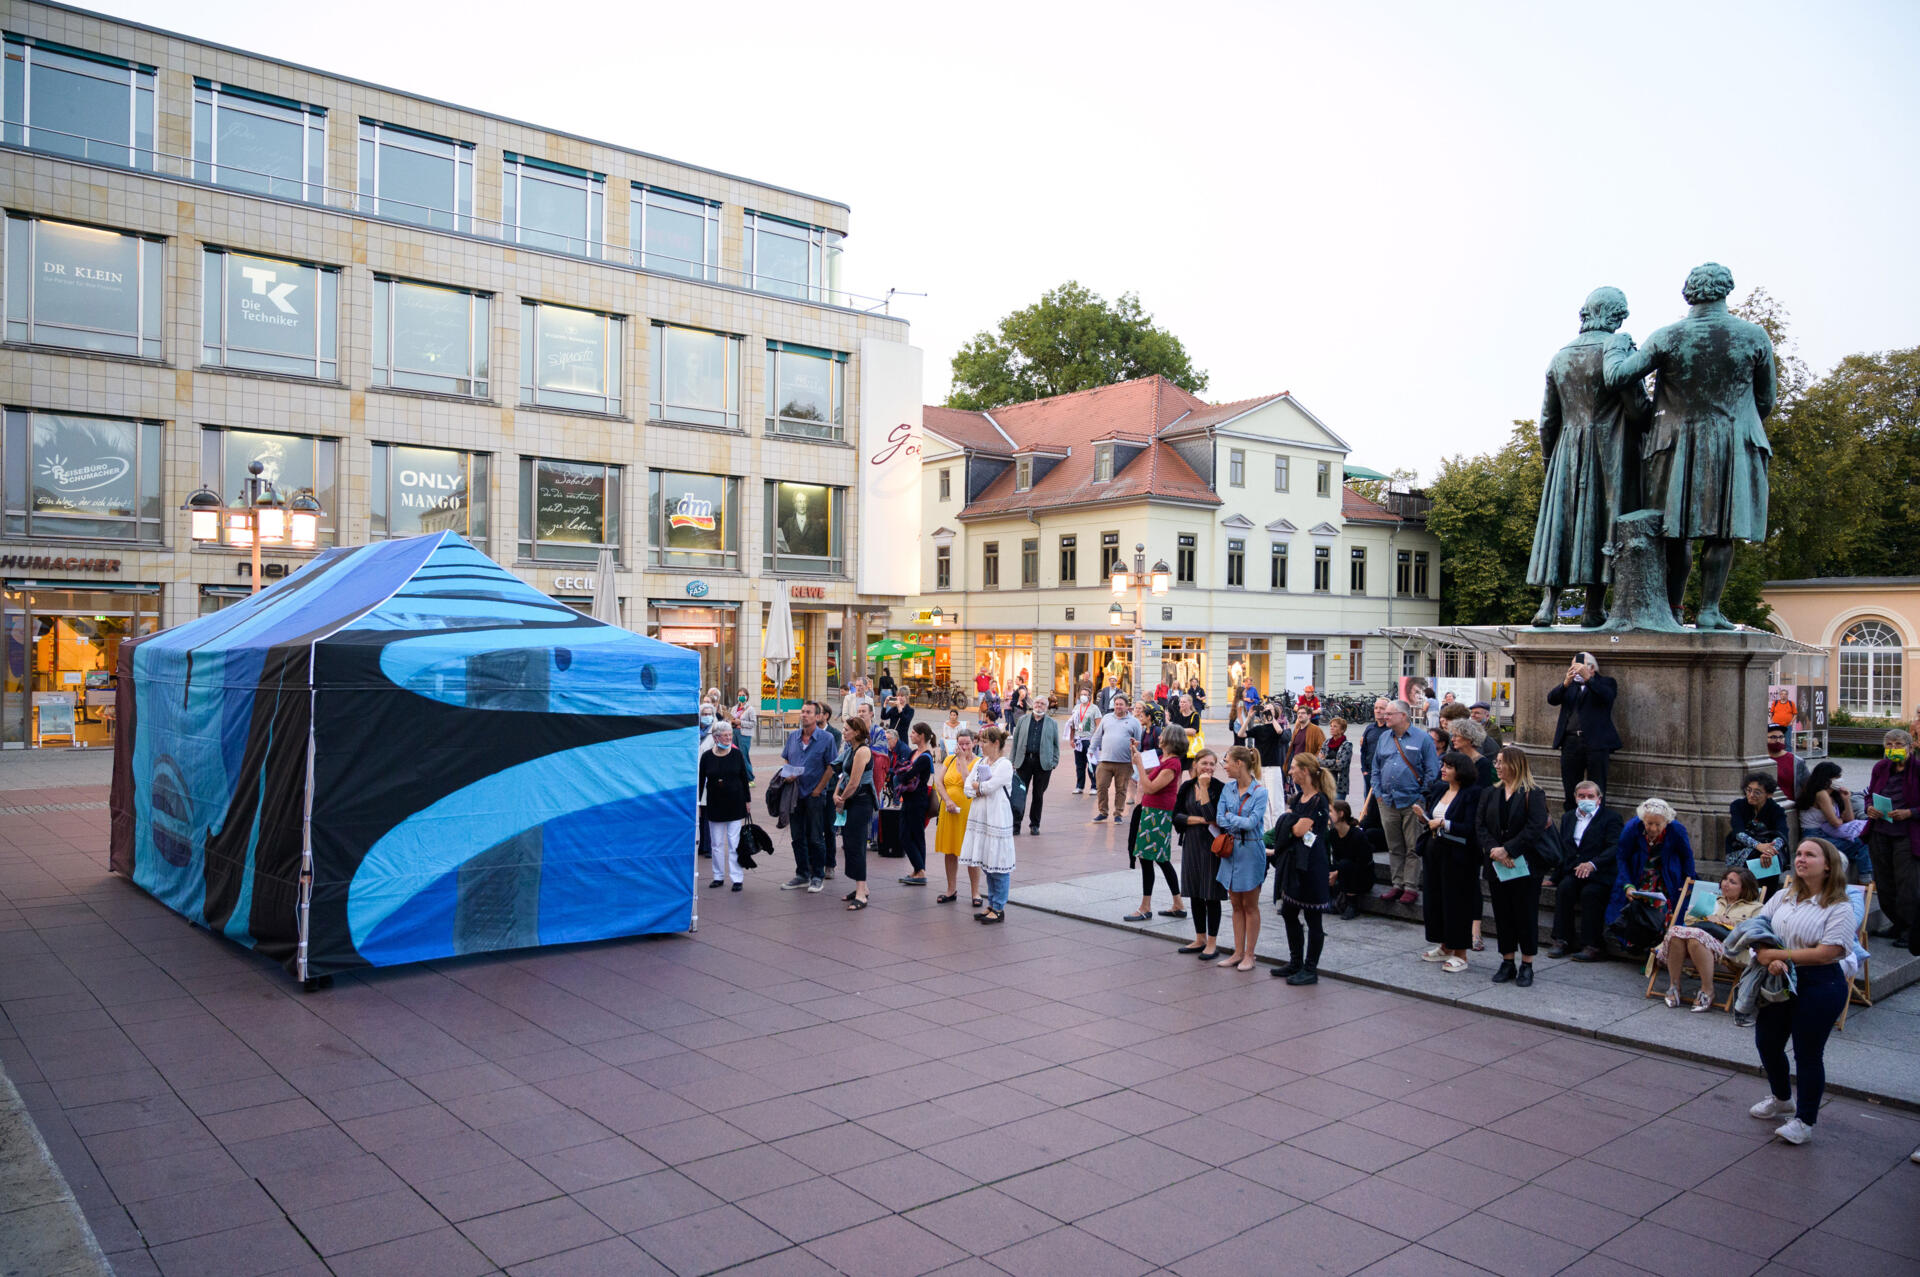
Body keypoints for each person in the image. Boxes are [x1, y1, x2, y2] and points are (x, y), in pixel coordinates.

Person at [1602, 262, 1777, 630]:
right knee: (1721, 531)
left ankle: (1672, 610)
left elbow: (1618, 376)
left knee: (1673, 531)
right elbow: (1766, 400)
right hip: (1731, 443)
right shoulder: (1753, 336)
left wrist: (1616, 346)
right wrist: (1734, 419)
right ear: (1726, 291)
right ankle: (1710, 610)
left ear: (1689, 293)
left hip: (1675, 445)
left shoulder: (1667, 336)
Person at [1746, 839, 1859, 1145]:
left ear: (1827, 866)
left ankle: (1805, 1121)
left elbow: (1828, 952)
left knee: (1808, 1053)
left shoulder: (1839, 906)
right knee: (1767, 1042)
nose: (1801, 858)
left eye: (1810, 854)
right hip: (1779, 980)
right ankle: (1782, 1098)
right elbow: (1759, 928)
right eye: (1798, 853)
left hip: (1820, 984)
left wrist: (1781, 957)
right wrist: (1765, 953)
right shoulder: (1783, 896)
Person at [1476, 746, 1551, 987]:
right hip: (1497, 865)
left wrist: (1509, 849)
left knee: (1526, 914)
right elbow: (1481, 826)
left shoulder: (1533, 793)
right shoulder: (1489, 793)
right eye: (1496, 762)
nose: (1497, 766)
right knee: (1502, 913)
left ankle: (1527, 964)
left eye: (1501, 762)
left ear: (1515, 765)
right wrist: (1495, 851)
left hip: (1526, 866)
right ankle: (1507, 960)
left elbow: (1535, 827)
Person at [1365, 699, 1441, 907]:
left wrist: (1421, 797)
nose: (1384, 717)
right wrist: (1379, 793)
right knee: (1394, 845)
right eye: (1384, 714)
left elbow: (1432, 770)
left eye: (1389, 714)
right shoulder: (1384, 738)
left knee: (1412, 847)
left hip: (1412, 802)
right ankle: (1396, 884)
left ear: (1403, 716)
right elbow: (1376, 768)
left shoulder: (1423, 739)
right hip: (1387, 801)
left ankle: (1410, 887)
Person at [1656, 865, 1763, 1011]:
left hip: (1731, 949)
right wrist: (1708, 917)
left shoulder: (1755, 907)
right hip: (1697, 943)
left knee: (1695, 937)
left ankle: (1708, 990)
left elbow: (1755, 933)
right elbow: (1688, 920)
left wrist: (1733, 924)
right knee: (1677, 933)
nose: (1725, 883)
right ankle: (1674, 986)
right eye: (1725, 879)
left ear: (1744, 888)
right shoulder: (1712, 900)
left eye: (1732, 882)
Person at [1416, 751, 1484, 974]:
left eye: (1449, 767)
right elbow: (1433, 817)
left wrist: (1445, 823)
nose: (1443, 769)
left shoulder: (1472, 794)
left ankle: (1461, 953)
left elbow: (1473, 828)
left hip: (1459, 857)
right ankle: (1444, 945)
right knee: (1436, 900)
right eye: (1443, 765)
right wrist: (1425, 818)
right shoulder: (1440, 789)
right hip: (1435, 852)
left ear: (1460, 770)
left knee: (1457, 904)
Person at [1274, 752, 1336, 984]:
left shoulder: (1318, 800)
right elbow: (1293, 827)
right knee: (1289, 911)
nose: (1290, 772)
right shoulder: (1299, 797)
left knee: (1313, 917)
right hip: (1295, 862)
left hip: (1312, 864)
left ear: (1305, 771)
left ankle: (1310, 969)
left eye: (1294, 768)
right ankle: (1295, 962)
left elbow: (1299, 830)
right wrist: (1289, 824)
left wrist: (1286, 823)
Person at [1546, 780, 1625, 961]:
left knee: (1591, 893)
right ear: (1575, 798)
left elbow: (1614, 847)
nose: (1586, 799)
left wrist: (1593, 864)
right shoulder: (1568, 818)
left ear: (1598, 799)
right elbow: (1563, 849)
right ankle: (1562, 939)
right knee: (1565, 889)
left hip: (1599, 872)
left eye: (1590, 796)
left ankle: (1592, 944)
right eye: (1582, 796)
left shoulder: (1611, 818)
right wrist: (1555, 876)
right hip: (1574, 870)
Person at [1607, 798, 1697, 949]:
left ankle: (1658, 948)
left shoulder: (1676, 829)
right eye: (1649, 823)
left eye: (1658, 824)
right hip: (1640, 872)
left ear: (1666, 822)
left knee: (1665, 907)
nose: (1653, 828)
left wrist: (1688, 881)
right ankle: (1640, 945)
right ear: (1643, 820)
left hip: (1667, 873)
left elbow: (1687, 856)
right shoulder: (1632, 827)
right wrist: (1627, 884)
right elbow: (1622, 857)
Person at [1214, 746, 1271, 973]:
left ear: (1240, 763)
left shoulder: (1260, 791)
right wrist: (1235, 819)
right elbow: (1220, 818)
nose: (1224, 766)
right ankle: (1237, 952)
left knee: (1250, 904)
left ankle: (1250, 954)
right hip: (1231, 850)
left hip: (1250, 850)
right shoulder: (1228, 788)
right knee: (1235, 903)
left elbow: (1252, 823)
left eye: (1226, 762)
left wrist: (1231, 818)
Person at [1125, 723, 1187, 923]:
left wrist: (1140, 765)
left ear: (1171, 740)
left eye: (1163, 736)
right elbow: (1146, 772)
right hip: (1152, 811)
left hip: (1158, 814)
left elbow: (1150, 787)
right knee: (1159, 859)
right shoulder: (1164, 759)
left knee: (1150, 859)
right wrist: (1136, 753)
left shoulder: (1173, 764)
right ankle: (1178, 904)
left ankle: (1145, 907)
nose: (1159, 738)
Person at [1863, 729, 1920, 949]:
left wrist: (1910, 813)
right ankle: (1896, 923)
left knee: (1907, 884)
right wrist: (1869, 807)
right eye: (1889, 744)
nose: (1893, 749)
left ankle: (1910, 928)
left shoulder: (1917, 769)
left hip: (1907, 833)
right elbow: (1869, 793)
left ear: (1910, 747)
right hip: (1881, 831)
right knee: (1884, 882)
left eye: (1898, 744)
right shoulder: (1880, 767)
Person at [1547, 651, 1621, 807]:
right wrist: (1565, 683)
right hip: (1570, 742)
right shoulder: (1570, 686)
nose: (1575, 671)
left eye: (1579, 668)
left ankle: (1595, 822)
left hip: (1596, 743)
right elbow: (1552, 699)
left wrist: (1589, 679)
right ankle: (1571, 820)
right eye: (1573, 667)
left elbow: (1607, 697)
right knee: (1570, 787)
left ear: (1592, 668)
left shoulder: (1606, 682)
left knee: (1597, 786)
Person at [1175, 750, 1230, 959]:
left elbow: (1213, 816)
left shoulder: (1219, 788)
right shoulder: (1187, 787)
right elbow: (1177, 816)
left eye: (1212, 764)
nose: (1208, 768)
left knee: (1211, 893)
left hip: (1212, 845)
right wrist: (1197, 820)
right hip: (1191, 843)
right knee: (1195, 891)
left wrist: (1205, 789)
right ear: (1195, 765)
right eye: (1204, 763)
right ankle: (1200, 938)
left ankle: (1212, 942)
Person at [960, 724, 1016, 924]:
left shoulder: (1004, 764)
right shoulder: (981, 762)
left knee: (998, 863)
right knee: (987, 863)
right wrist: (977, 788)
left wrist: (979, 787)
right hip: (981, 818)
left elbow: (990, 786)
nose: (980, 745)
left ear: (996, 743)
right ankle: (991, 903)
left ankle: (999, 907)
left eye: (984, 741)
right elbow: (968, 786)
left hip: (997, 817)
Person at [779, 703, 836, 893]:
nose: (804, 715)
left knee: (815, 837)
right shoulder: (793, 737)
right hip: (795, 793)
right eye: (802, 712)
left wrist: (818, 790)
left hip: (815, 795)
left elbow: (831, 767)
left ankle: (817, 875)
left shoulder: (826, 739)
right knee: (797, 836)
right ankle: (802, 874)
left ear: (818, 716)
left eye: (808, 712)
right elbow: (787, 758)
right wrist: (788, 775)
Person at [934, 728, 985, 907]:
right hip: (949, 811)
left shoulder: (979, 762)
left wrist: (963, 760)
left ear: (974, 743)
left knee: (971, 853)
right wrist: (946, 800)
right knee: (950, 851)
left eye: (967, 744)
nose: (963, 747)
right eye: (960, 744)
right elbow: (938, 782)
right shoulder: (949, 759)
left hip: (968, 811)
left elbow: (968, 783)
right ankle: (951, 889)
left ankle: (975, 892)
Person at [700, 722, 752, 891]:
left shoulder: (736, 755)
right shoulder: (707, 757)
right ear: (716, 738)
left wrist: (747, 801)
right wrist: (699, 803)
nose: (729, 738)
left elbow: (744, 778)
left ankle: (737, 878)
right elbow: (701, 781)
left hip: (735, 803)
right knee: (716, 844)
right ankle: (718, 876)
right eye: (725, 735)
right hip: (715, 804)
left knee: (734, 842)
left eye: (730, 735)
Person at [832, 718, 877, 910]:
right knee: (849, 843)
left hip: (861, 800)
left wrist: (841, 799)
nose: (844, 732)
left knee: (857, 843)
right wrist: (836, 793)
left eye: (847, 729)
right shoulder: (850, 749)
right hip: (850, 798)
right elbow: (843, 775)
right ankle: (862, 888)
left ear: (857, 732)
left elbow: (855, 782)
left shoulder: (863, 751)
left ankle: (861, 893)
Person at [1008, 695, 1060, 835]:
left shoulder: (1052, 723)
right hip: (1023, 762)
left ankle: (1035, 825)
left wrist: (1054, 762)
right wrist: (1012, 760)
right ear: (1033, 704)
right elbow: (1016, 742)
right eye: (1037, 703)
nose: (1039, 706)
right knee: (1019, 794)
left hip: (1043, 764)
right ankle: (1016, 824)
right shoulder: (1022, 720)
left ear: (1047, 707)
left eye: (1042, 704)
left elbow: (1056, 745)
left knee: (1038, 795)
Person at [1725, 773, 1789, 879]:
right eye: (1748, 790)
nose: (1751, 795)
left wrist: (1768, 851)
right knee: (1755, 855)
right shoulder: (1737, 805)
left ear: (1768, 794)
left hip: (1769, 849)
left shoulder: (1776, 810)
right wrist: (1758, 846)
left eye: (1757, 792)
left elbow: (1782, 834)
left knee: (1770, 859)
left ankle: (1767, 894)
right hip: (1741, 848)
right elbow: (1738, 832)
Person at [1089, 695, 1141, 822]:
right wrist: (1091, 749)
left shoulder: (1134, 721)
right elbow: (1097, 736)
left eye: (1121, 704)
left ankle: (1118, 813)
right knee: (1101, 787)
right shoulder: (1107, 718)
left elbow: (1138, 741)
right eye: (1116, 704)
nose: (1118, 706)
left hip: (1124, 763)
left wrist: (1135, 752)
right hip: (1105, 760)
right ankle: (1103, 812)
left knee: (1121, 789)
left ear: (1127, 706)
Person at [895, 723, 936, 887]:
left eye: (913, 733)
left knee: (913, 835)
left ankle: (920, 871)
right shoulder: (913, 753)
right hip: (908, 798)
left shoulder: (925, 757)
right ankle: (918, 870)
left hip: (918, 800)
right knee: (907, 835)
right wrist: (904, 773)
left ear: (922, 736)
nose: (910, 735)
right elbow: (901, 772)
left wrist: (904, 773)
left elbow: (905, 775)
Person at [1327, 801, 1374, 920]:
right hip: (1344, 872)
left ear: (1341, 814)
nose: (1328, 814)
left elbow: (1363, 863)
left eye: (1330, 811)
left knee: (1345, 864)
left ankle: (1352, 905)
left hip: (1363, 876)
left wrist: (1337, 873)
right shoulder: (1333, 834)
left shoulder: (1357, 835)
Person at [1246, 706, 1288, 817]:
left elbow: (1279, 731)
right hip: (1260, 767)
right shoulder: (1259, 729)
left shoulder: (1279, 727)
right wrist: (1249, 717)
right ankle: (1264, 830)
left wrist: (1272, 717)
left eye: (1270, 709)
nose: (1267, 710)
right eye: (1266, 708)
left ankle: (1278, 829)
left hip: (1273, 767)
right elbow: (1242, 734)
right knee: (1261, 801)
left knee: (1275, 800)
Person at [1448, 719, 1496, 789]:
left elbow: (1481, 790)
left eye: (1456, 736)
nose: (1452, 739)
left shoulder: (1483, 764)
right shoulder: (1451, 758)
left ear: (1469, 738)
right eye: (1452, 736)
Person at [1359, 698, 1391, 804]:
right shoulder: (1370, 728)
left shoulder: (1391, 730)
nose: (1378, 710)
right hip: (1369, 773)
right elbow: (1364, 750)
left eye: (1382, 708)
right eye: (1376, 708)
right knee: (1368, 805)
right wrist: (1364, 770)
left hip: (1385, 775)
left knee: (1382, 805)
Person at [1766, 723, 1808, 800]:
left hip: (1790, 806)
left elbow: (1807, 786)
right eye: (1773, 737)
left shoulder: (1797, 762)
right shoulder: (1759, 761)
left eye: (1781, 737)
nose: (1778, 740)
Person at [1068, 691, 1099, 794]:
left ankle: (1094, 786)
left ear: (1090, 696)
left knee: (1091, 763)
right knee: (1079, 765)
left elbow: (1098, 725)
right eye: (1081, 694)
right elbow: (1072, 724)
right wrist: (1072, 739)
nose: (1083, 696)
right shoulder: (1076, 708)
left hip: (1089, 740)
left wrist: (1093, 739)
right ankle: (1079, 786)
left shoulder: (1094, 708)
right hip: (1078, 740)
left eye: (1085, 694)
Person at [1324, 717, 1353, 799]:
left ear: (1342, 730)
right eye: (1331, 726)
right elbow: (1319, 761)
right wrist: (1334, 762)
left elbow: (1341, 765)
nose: (1332, 728)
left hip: (1340, 785)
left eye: (1335, 726)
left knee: (1337, 809)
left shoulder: (1347, 745)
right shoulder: (1326, 743)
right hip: (1326, 782)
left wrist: (1326, 762)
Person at [730, 689, 757, 761]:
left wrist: (741, 722)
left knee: (743, 757)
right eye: (739, 695)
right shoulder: (734, 708)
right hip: (734, 733)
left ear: (747, 697)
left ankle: (747, 772)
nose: (741, 697)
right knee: (734, 756)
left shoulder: (750, 709)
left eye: (743, 695)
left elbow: (753, 723)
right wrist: (731, 721)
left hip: (744, 735)